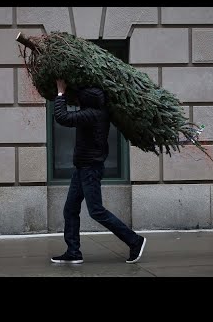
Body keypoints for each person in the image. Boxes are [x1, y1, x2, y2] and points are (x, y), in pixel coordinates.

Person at [50, 78, 146, 264]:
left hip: (90, 168)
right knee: (70, 209)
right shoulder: (97, 110)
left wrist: (61, 92)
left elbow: (62, 117)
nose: (77, 101)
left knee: (96, 211)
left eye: (80, 99)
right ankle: (73, 252)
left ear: (87, 100)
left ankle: (135, 241)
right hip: (83, 167)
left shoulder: (92, 114)